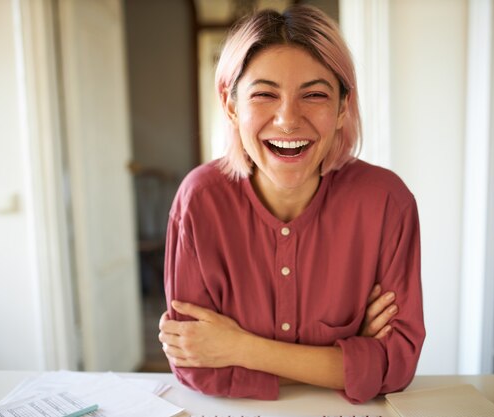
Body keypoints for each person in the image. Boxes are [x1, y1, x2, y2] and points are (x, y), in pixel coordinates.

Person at [158, 5, 425, 404]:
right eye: (265, 94)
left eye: (314, 95)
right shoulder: (199, 200)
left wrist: (238, 348)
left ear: (342, 107)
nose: (287, 119)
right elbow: (195, 365)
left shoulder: (387, 203)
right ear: (231, 105)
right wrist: (348, 359)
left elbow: (397, 365)